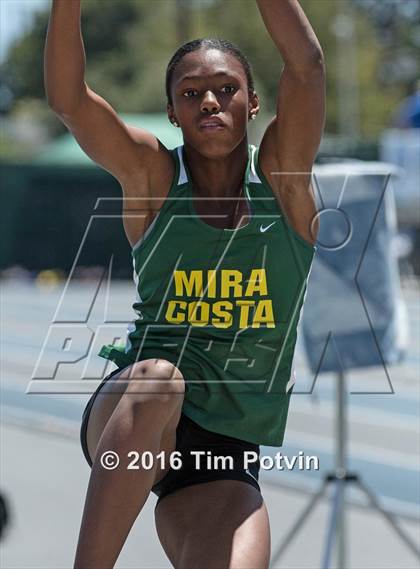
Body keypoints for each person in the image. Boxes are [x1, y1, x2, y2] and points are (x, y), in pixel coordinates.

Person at [45, 0, 325, 567]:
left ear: (253, 101)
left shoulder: (284, 185)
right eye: (191, 94)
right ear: (172, 112)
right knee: (160, 379)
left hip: (222, 449)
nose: (210, 102)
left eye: (225, 88)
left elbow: (309, 67)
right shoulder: (151, 176)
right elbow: (70, 102)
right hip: (136, 413)